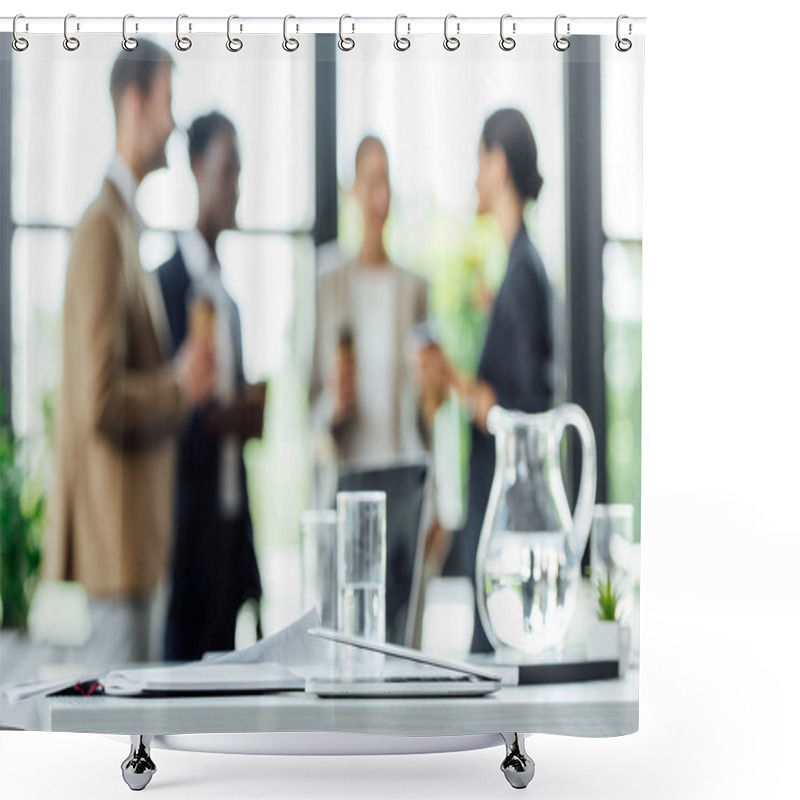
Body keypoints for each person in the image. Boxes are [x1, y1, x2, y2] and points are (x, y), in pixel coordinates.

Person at [44, 40, 216, 665]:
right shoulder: (101, 230)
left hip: (134, 553)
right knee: (114, 752)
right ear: (135, 101)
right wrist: (179, 386)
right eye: (167, 103)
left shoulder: (123, 225)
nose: (172, 124)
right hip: (114, 556)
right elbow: (99, 399)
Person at [418, 108, 554, 652]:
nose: (475, 176)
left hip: (504, 517)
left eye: (479, 160)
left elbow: (513, 413)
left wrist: (450, 375)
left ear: (498, 163)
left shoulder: (523, 272)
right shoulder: (519, 268)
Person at [157, 112, 265, 662]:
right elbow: (166, 412)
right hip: (182, 540)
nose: (236, 187)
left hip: (228, 535)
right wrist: (219, 417)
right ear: (198, 169)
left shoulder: (232, 303)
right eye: (228, 170)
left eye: (241, 172)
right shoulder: (165, 285)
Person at [309, 136, 431, 474]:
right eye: (371, 180)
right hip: (345, 478)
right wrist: (334, 404)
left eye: (386, 181)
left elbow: (428, 416)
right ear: (353, 190)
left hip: (403, 475)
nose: (381, 195)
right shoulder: (327, 283)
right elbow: (308, 405)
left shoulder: (415, 288)